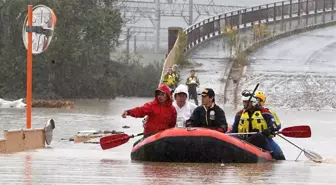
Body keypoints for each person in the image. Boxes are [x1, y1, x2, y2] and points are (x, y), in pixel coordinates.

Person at [230, 90, 285, 160]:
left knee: (260, 138)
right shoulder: (239, 114)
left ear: (253, 102)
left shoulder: (265, 112)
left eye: (247, 102)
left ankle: (275, 157)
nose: (244, 104)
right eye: (244, 102)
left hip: (263, 139)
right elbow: (234, 130)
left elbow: (274, 125)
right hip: (244, 140)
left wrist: (269, 130)